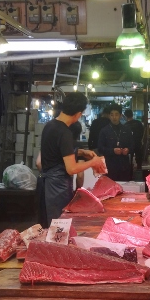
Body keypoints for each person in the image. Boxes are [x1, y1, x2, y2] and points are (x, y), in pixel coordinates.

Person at [38, 92, 106, 226]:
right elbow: (72, 169)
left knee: (52, 224)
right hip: (58, 187)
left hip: (48, 184)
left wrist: (82, 152)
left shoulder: (50, 125)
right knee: (60, 226)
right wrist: (93, 162)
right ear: (79, 114)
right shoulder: (65, 133)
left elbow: (56, 153)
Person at [97, 103, 134, 181]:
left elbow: (133, 146)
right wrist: (112, 151)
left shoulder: (126, 130)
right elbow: (100, 148)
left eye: (116, 114)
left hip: (124, 166)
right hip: (109, 166)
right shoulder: (104, 131)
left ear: (120, 115)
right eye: (112, 115)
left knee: (124, 187)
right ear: (109, 116)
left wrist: (128, 150)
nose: (114, 117)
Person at [123, 108, 145, 173]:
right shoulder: (138, 123)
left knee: (129, 159)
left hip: (129, 145)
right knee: (139, 158)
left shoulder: (125, 125)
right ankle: (139, 171)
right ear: (132, 115)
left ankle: (130, 172)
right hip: (138, 143)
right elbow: (142, 132)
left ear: (125, 116)